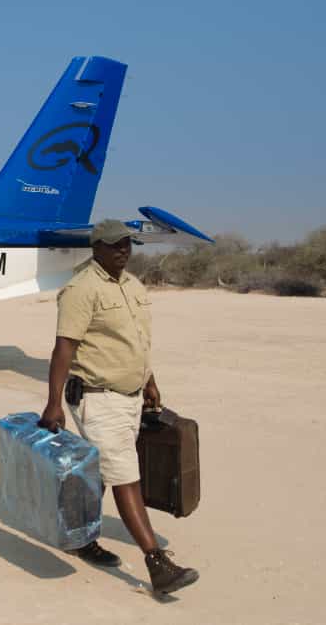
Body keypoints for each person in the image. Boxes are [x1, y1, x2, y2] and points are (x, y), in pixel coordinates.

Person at [39, 219, 199, 595]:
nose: (122, 250)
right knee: (125, 475)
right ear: (96, 248)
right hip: (97, 397)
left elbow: (135, 341)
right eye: (113, 245)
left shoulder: (133, 285)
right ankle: (157, 564)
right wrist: (53, 404)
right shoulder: (81, 289)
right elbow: (64, 348)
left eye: (127, 244)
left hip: (130, 397)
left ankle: (79, 537)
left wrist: (150, 382)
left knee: (101, 473)